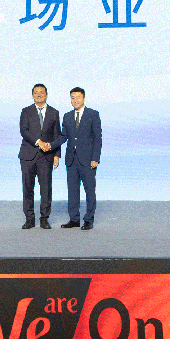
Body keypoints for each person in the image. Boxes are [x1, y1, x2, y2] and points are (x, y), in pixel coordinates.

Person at [18, 83, 63, 229]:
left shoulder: (54, 113)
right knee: (28, 188)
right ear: (32, 95)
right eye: (36, 92)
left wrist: (56, 155)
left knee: (46, 189)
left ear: (46, 95)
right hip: (28, 155)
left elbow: (57, 135)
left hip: (46, 157)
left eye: (42, 92)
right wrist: (39, 142)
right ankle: (29, 219)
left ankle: (44, 218)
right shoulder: (26, 111)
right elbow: (24, 131)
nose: (39, 95)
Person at [60, 87, 102, 231]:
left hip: (88, 160)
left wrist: (95, 158)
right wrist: (50, 145)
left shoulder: (93, 114)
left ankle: (89, 220)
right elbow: (63, 136)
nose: (75, 100)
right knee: (72, 191)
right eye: (73, 98)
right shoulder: (67, 116)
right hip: (71, 160)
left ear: (83, 98)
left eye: (78, 97)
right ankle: (74, 219)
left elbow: (97, 138)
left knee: (89, 190)